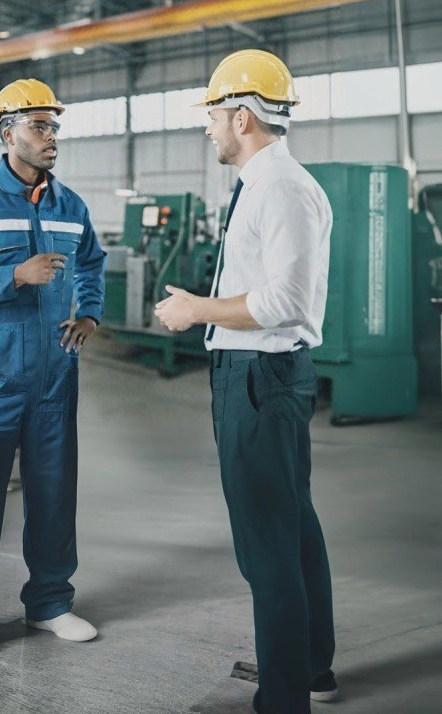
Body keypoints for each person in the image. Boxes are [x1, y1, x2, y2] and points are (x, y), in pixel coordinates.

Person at [155, 50, 337, 714]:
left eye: (212, 115)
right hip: (265, 376)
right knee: (291, 527)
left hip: (260, 379)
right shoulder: (264, 186)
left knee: (267, 546)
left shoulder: (281, 189)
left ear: (241, 116)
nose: (207, 128)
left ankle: (283, 697)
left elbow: (283, 301)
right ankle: (310, 665)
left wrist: (194, 310)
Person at [0, 78, 106, 674]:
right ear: (8, 133)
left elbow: (92, 263)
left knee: (55, 496)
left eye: (55, 126)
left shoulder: (70, 206)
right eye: (39, 126)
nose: (52, 137)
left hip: (55, 375)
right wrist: (15, 277)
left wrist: (89, 312)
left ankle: (50, 603)